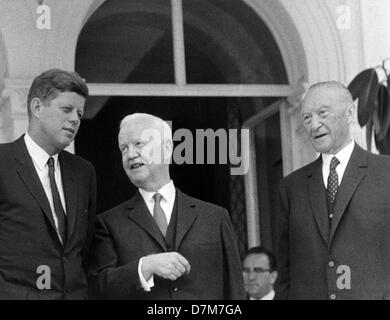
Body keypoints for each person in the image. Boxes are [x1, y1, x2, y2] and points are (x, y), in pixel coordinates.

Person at [88, 113, 245, 299]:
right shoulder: (108, 223)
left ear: (167, 148)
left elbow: (234, 291)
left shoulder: (215, 217)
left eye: (139, 144)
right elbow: (98, 289)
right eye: (123, 148)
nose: (130, 154)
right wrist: (145, 266)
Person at [276, 81, 390, 300]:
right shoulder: (291, 188)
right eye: (307, 117)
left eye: (323, 113)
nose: (314, 125)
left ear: (349, 113)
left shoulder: (385, 173)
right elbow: (285, 273)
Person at [0, 68, 97, 299]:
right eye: (66, 109)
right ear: (36, 107)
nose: (75, 119)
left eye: (80, 114)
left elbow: (84, 250)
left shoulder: (84, 172)